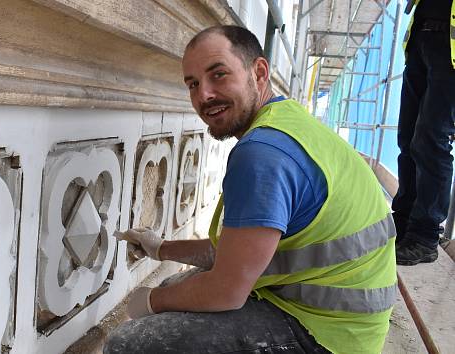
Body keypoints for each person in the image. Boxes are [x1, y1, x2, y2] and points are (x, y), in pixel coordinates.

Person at [104, 25, 397, 354]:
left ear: (258, 72)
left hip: (329, 337)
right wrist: (161, 249)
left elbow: (226, 291)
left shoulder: (263, 155)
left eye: (218, 74)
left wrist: (149, 301)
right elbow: (237, 250)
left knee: (129, 343)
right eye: (193, 84)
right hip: (344, 317)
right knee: (176, 287)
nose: (204, 96)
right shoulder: (286, 117)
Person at [392, 0, 455, 265]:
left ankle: (424, 235)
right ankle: (403, 222)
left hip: (450, 50)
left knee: (431, 139)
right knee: (408, 139)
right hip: (422, 37)